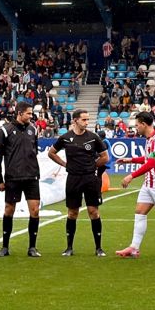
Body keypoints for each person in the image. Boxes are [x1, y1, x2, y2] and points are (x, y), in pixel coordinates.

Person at [114, 110, 155, 259]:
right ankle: (134, 247)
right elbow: (147, 158)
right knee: (139, 212)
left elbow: (151, 163)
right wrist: (130, 160)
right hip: (149, 183)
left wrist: (131, 175)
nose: (136, 128)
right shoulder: (150, 139)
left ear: (143, 124)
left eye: (137, 125)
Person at [50, 109, 109, 256]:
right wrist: (64, 164)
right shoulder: (65, 137)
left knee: (93, 212)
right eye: (84, 120)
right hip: (73, 179)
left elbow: (105, 157)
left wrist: (93, 166)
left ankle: (98, 248)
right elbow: (51, 153)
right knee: (72, 213)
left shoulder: (93, 137)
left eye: (88, 120)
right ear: (75, 120)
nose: (87, 122)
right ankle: (69, 248)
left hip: (90, 179)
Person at [0, 100, 43, 257]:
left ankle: (32, 247)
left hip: (32, 176)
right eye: (29, 113)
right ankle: (5, 247)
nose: (31, 116)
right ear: (19, 113)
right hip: (13, 177)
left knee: (35, 210)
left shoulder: (33, 129)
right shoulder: (5, 131)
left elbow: (34, 151)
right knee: (9, 210)